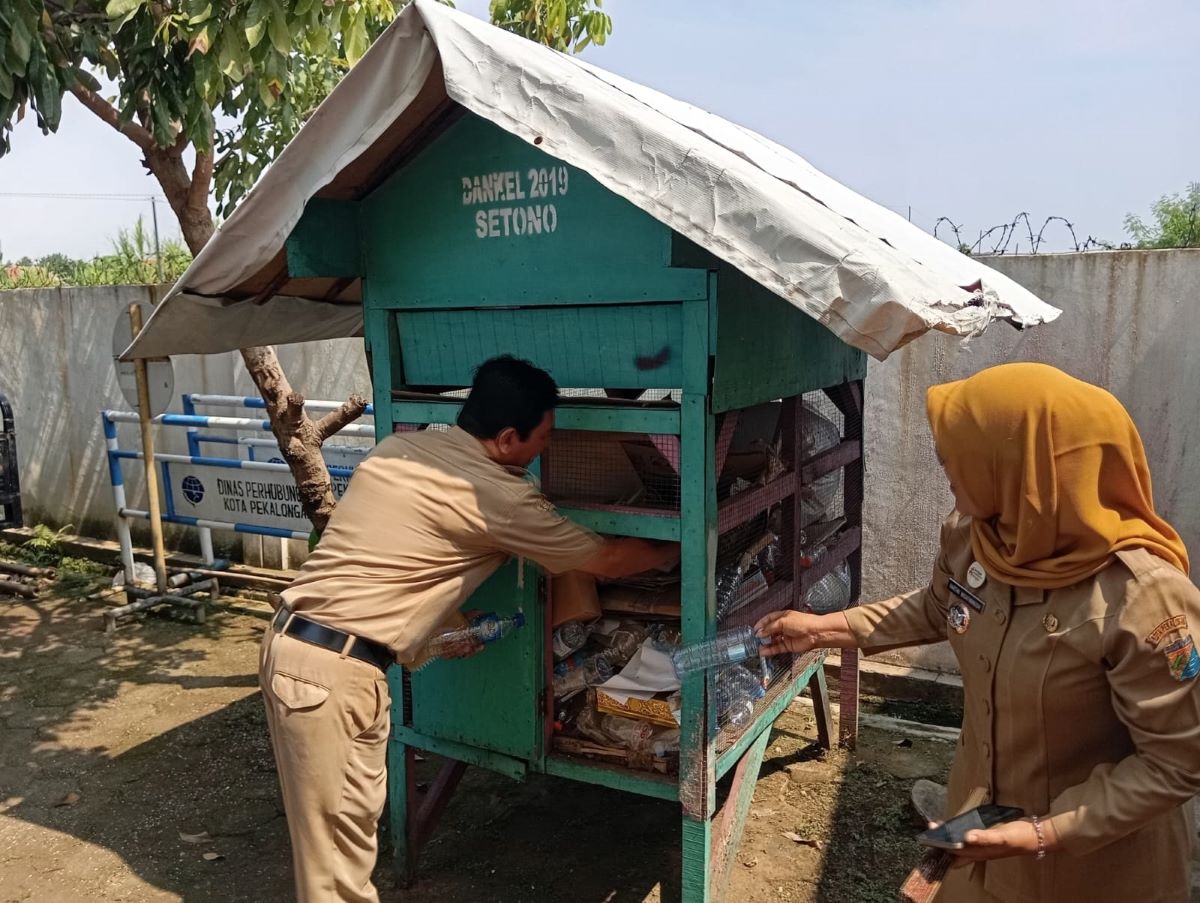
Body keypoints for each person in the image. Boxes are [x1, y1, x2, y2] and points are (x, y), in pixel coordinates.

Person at [756, 363, 1200, 902]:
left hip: (1093, 869)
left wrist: (1044, 833)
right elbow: (942, 608)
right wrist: (825, 627)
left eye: (962, 451)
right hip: (981, 831)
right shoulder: (978, 537)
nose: (945, 465)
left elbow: (1176, 764)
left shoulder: (1145, 599)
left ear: (1027, 466)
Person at [260, 355, 679, 902]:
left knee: (344, 843)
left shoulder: (398, 450)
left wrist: (450, 620)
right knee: (333, 876)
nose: (545, 451)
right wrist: (678, 546)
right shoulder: (501, 496)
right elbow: (606, 560)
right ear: (508, 438)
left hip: (300, 651)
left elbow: (393, 552)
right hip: (334, 677)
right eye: (543, 439)